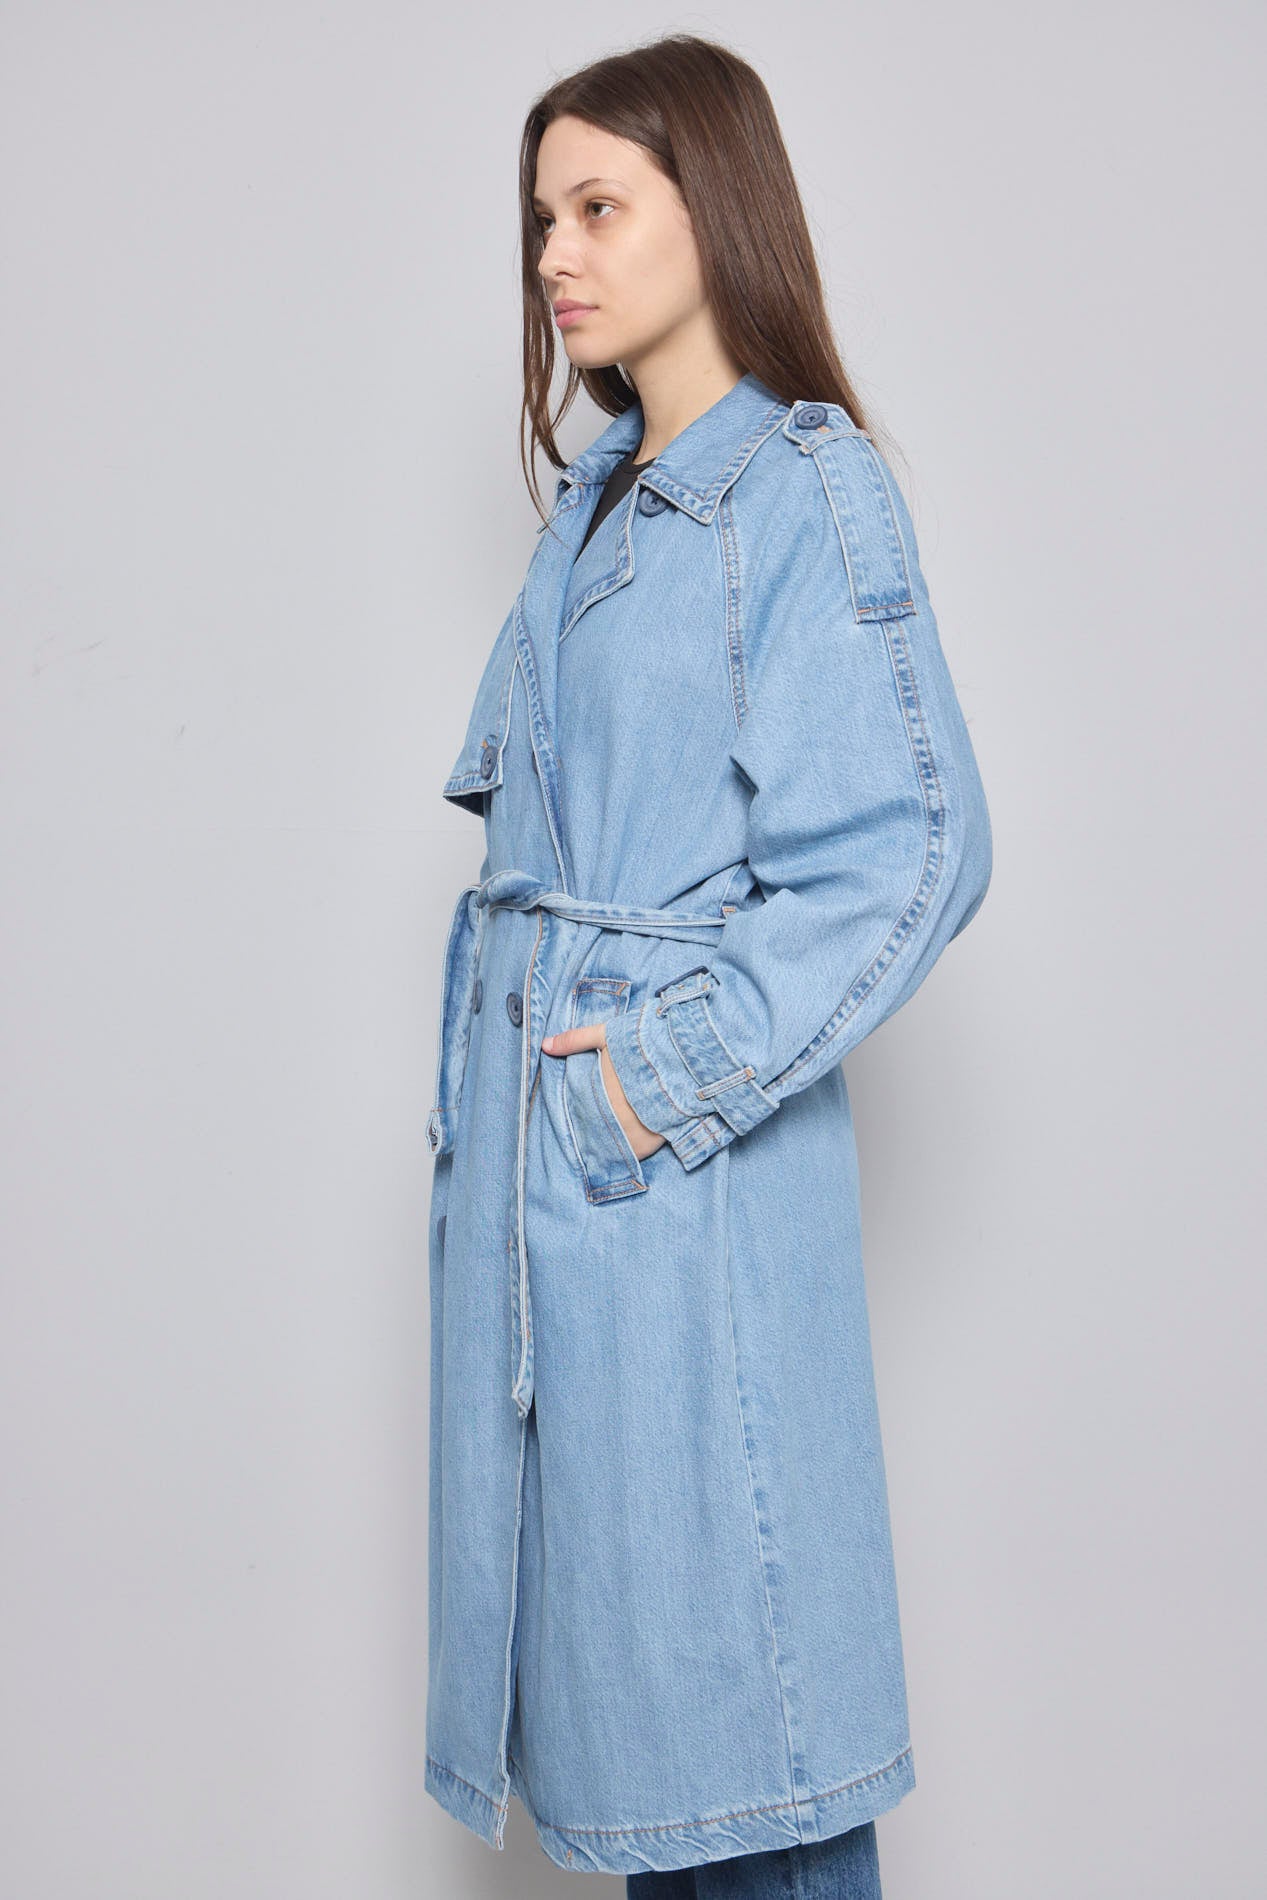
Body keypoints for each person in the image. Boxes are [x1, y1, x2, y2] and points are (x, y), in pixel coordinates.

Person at [423, 33, 993, 1895]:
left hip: (679, 1197)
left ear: (713, 206)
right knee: (656, 1774)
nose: (556, 258)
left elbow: (911, 848)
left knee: (750, 1776)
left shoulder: (800, 492)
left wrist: (644, 1082)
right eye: (541, 219)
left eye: (600, 208)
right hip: (562, 1224)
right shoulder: (597, 508)